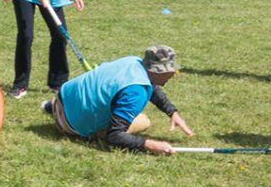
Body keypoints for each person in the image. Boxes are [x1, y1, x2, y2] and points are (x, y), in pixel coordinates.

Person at [43, 45, 194, 153]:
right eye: (171, 71)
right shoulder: (137, 91)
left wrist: (172, 112)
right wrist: (150, 144)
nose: (174, 74)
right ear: (158, 71)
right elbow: (114, 135)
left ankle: (53, 109)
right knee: (143, 121)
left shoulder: (133, 61)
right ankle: (76, 129)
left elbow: (152, 86)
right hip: (71, 125)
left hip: (61, 99)